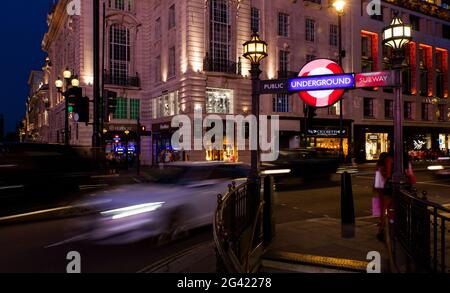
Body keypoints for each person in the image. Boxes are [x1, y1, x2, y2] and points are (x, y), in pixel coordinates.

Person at [374, 152, 393, 242]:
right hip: (386, 189)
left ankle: (381, 227)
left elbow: (377, 179)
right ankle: (383, 228)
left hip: (380, 189)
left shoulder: (378, 166)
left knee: (381, 210)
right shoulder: (386, 165)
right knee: (387, 209)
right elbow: (387, 176)